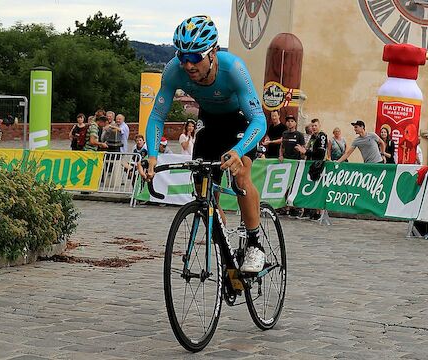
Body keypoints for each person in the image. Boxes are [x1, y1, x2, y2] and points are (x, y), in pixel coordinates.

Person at [139, 15, 267, 273]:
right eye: (182, 56)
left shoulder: (234, 69)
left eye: (195, 57)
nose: (188, 65)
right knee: (203, 187)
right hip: (209, 121)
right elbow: (156, 116)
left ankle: (255, 244)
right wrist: (151, 155)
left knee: (241, 176)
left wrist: (238, 151)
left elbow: (259, 120)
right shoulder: (174, 70)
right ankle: (224, 248)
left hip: (241, 122)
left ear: (213, 53)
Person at [295, 118, 327, 220]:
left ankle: (318, 212)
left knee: (316, 188)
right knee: (309, 187)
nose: (313, 128)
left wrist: (305, 152)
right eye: (312, 126)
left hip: (318, 165)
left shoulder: (322, 136)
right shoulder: (313, 137)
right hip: (311, 164)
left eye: (315, 126)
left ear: (319, 126)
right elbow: (309, 149)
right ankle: (309, 211)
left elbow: (320, 153)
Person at [278, 114, 305, 218]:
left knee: (294, 185)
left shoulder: (299, 135)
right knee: (285, 184)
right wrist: (280, 155)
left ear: (295, 123)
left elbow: (302, 148)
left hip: (295, 162)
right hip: (285, 163)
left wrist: (302, 156)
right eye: (288, 121)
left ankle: (295, 207)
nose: (290, 123)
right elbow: (281, 146)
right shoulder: (284, 133)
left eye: (292, 121)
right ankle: (285, 207)